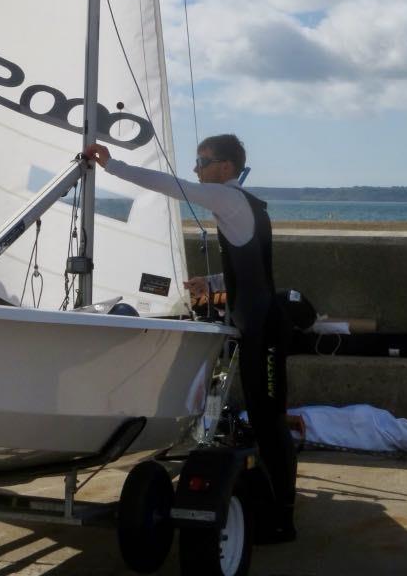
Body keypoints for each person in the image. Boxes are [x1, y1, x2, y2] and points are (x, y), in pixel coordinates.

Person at [84, 134, 297, 542]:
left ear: (226, 168)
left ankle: (283, 519)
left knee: (270, 423)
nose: (195, 169)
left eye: (202, 161)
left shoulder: (231, 200)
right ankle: (274, 508)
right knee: (264, 420)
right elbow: (251, 269)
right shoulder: (239, 207)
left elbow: (169, 187)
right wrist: (212, 281)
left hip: (263, 330)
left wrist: (113, 166)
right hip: (255, 325)